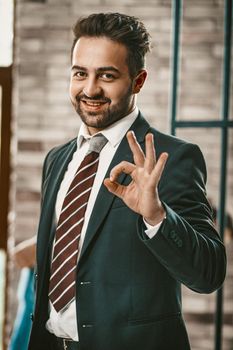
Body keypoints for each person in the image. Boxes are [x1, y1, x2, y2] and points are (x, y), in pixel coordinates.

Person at [28, 12, 226, 350]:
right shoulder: (57, 160)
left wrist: (156, 216)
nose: (90, 89)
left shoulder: (173, 158)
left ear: (138, 81)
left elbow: (208, 274)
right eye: (80, 74)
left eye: (107, 75)